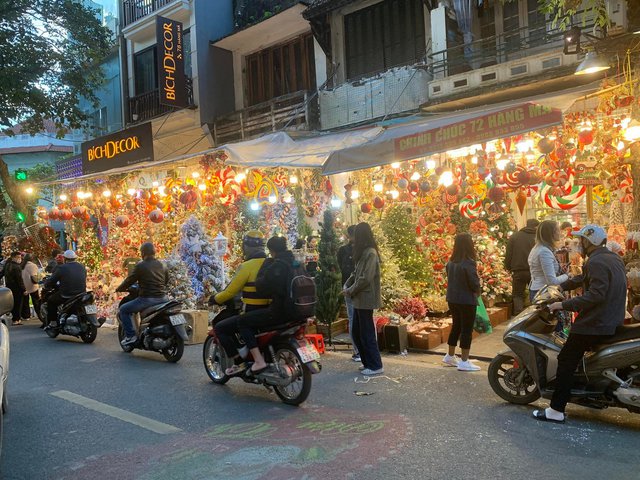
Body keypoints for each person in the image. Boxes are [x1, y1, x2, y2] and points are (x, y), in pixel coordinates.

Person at [534, 224, 627, 424]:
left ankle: (556, 410)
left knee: (566, 358)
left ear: (590, 242)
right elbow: (582, 279)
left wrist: (562, 304)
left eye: (581, 240)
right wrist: (559, 285)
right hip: (612, 318)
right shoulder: (609, 258)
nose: (579, 244)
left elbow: (595, 295)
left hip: (597, 322)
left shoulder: (597, 262)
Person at [210, 231, 271, 375]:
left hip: (253, 311)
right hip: (272, 311)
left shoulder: (247, 266)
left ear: (247, 247)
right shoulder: (271, 263)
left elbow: (230, 292)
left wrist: (215, 299)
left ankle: (239, 362)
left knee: (220, 328)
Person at [235, 236, 297, 375]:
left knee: (243, 321)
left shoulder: (277, 265)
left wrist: (264, 270)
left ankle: (258, 361)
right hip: (299, 311)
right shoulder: (295, 262)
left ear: (271, 250)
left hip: (281, 311)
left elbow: (262, 287)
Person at [343, 222, 383, 376]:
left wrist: (351, 289)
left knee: (366, 333)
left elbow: (365, 278)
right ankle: (367, 362)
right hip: (359, 298)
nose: (352, 238)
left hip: (366, 298)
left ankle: (375, 365)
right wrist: (347, 285)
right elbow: (356, 274)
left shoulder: (371, 253)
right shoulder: (363, 252)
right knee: (358, 332)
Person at [116, 242, 169, 346]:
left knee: (124, 309)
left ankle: (131, 336)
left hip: (147, 299)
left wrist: (120, 288)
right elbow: (166, 281)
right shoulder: (163, 264)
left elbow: (130, 280)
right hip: (163, 298)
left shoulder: (141, 265)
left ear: (143, 252)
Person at [443, 233, 482, 371]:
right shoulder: (469, 262)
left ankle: (450, 355)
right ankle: (464, 361)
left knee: (456, 326)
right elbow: (474, 283)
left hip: (452, 299)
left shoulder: (451, 262)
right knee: (466, 330)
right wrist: (478, 290)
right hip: (466, 300)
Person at [527, 220, 569, 302]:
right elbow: (552, 281)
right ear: (551, 233)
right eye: (557, 230)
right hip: (543, 293)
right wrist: (568, 275)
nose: (560, 233)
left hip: (539, 290)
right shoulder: (544, 251)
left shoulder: (539, 248)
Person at [44, 250, 87, 329]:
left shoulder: (62, 268)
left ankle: (53, 322)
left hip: (67, 294)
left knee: (51, 301)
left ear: (65, 258)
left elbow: (52, 280)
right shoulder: (82, 266)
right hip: (81, 293)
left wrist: (46, 284)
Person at [504, 219, 539, 315]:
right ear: (536, 226)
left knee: (518, 294)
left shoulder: (515, 236)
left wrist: (508, 267)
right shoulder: (538, 237)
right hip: (534, 270)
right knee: (535, 292)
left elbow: (509, 254)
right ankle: (535, 314)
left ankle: (518, 315)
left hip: (518, 270)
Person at [337, 225, 359, 362]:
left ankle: (358, 351)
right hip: (356, 288)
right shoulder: (363, 249)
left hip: (349, 286)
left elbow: (341, 267)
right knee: (358, 319)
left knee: (353, 318)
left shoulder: (343, 250)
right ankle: (359, 350)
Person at [5, 252, 25, 325]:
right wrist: (24, 289)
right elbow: (19, 280)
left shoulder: (7, 265)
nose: (20, 259)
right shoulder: (17, 267)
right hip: (17, 288)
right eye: (18, 257)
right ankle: (16, 319)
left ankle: (15, 318)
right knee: (18, 304)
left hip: (9, 287)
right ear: (13, 257)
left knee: (13, 303)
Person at [21, 253, 40, 321]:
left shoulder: (22, 265)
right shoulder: (33, 265)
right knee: (36, 301)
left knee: (25, 302)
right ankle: (39, 314)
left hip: (24, 285)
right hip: (32, 285)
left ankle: (26, 316)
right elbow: (34, 276)